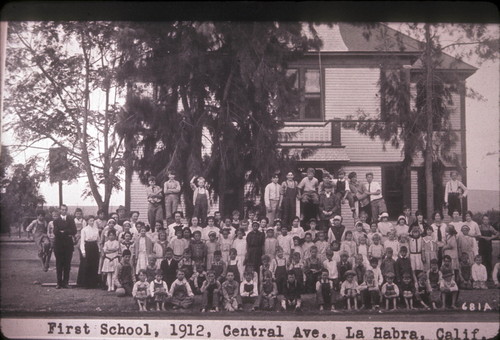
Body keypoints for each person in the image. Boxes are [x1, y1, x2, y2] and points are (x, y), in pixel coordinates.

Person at [53, 204, 77, 289]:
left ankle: (65, 282)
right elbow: (55, 232)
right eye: (62, 210)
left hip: (68, 246)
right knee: (59, 264)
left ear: (67, 211)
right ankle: (59, 283)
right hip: (58, 245)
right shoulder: (56, 220)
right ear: (60, 210)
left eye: (65, 210)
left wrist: (64, 231)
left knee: (67, 264)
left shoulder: (71, 219)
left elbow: (74, 231)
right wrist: (67, 233)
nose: (63, 211)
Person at [79, 213, 100, 288]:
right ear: (87, 221)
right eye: (90, 221)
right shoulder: (84, 230)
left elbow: (98, 241)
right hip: (87, 247)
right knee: (87, 265)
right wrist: (83, 251)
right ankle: (85, 284)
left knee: (94, 265)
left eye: (93, 221)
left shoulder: (96, 229)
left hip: (94, 247)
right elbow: (82, 242)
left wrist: (99, 250)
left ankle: (93, 283)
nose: (92, 222)